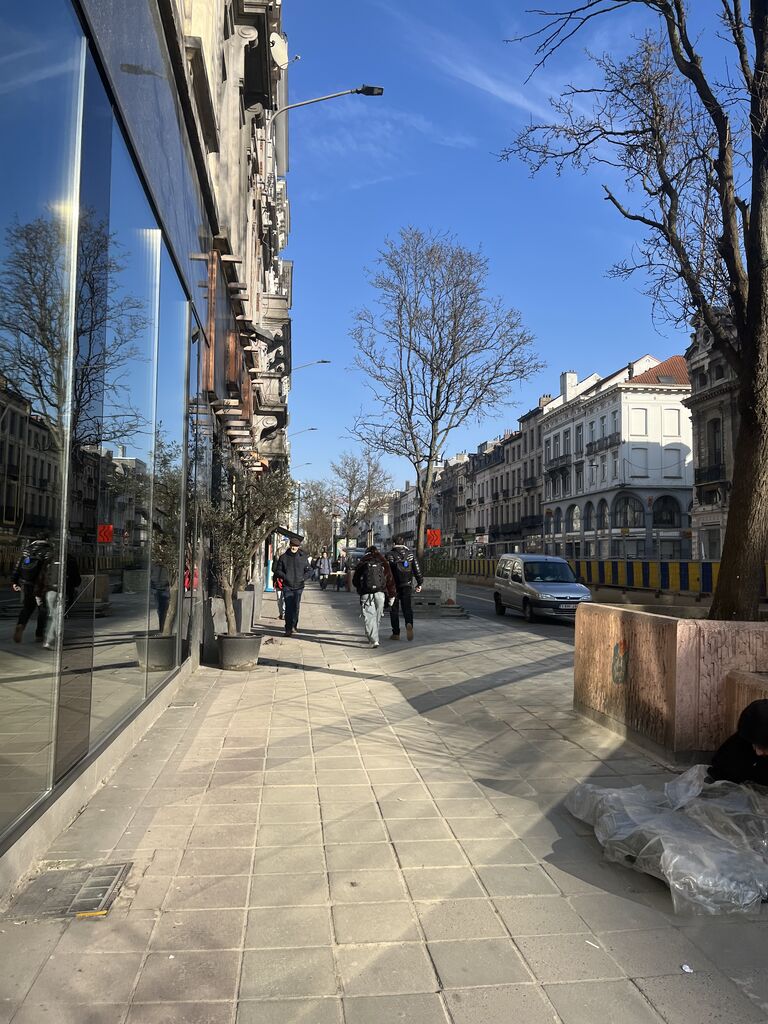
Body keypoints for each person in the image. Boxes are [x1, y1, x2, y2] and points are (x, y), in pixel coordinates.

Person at [709, 700, 768, 786]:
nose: (758, 753)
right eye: (756, 745)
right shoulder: (734, 751)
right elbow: (720, 771)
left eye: (764, 747)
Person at [352, 544, 396, 648]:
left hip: (366, 593)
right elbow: (390, 579)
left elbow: (355, 580)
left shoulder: (362, 562)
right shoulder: (383, 562)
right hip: (380, 593)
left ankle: (374, 639)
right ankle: (375, 635)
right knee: (377, 615)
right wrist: (392, 595)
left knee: (369, 615)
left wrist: (360, 589)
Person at [11, 533, 51, 644]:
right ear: (46, 539)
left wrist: (14, 581)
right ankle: (39, 635)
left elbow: (18, 566)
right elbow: (48, 570)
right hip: (39, 585)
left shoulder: (27, 550)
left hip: (25, 583)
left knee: (27, 607)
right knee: (42, 609)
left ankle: (21, 625)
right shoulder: (48, 551)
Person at [385, 535, 424, 642]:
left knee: (394, 610)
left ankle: (396, 633)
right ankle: (409, 624)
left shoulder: (389, 555)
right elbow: (417, 570)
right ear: (404, 543)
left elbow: (385, 572)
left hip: (394, 586)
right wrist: (419, 583)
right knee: (407, 608)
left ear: (393, 544)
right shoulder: (410, 554)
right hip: (407, 585)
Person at [273, 534, 311, 636]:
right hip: (287, 586)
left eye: (296, 546)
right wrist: (285, 577)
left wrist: (303, 578)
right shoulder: (283, 557)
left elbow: (309, 570)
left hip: (299, 586)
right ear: (290, 545)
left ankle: (294, 625)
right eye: (293, 545)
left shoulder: (303, 557)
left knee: (296, 606)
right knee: (289, 607)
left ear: (299, 547)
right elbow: (278, 570)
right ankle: (288, 628)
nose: (294, 547)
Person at [150, 562, 171, 632]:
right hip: (156, 587)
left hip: (165, 587)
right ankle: (162, 628)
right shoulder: (154, 564)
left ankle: (163, 628)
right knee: (160, 609)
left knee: (164, 609)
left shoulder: (167, 564)